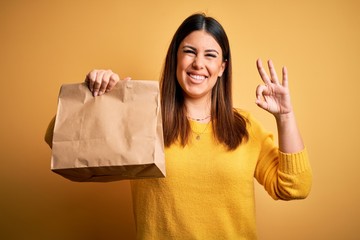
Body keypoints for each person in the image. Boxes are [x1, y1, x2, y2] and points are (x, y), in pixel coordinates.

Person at [47, 13, 312, 239]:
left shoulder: (244, 127)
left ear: (222, 68)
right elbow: (59, 143)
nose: (199, 63)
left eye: (210, 55)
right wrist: (99, 98)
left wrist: (285, 115)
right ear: (176, 58)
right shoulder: (143, 119)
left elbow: (294, 187)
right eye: (189, 51)